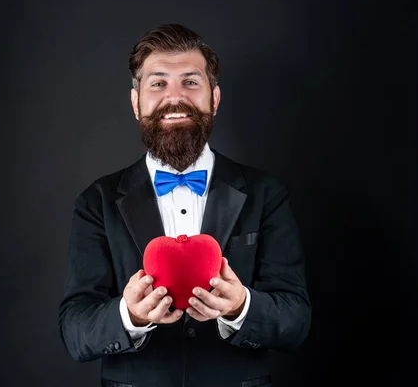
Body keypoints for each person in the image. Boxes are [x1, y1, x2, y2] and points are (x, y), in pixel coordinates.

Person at [58, 23, 311, 387]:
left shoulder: (266, 193)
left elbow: (296, 322)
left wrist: (242, 306)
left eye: (190, 82)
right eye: (158, 83)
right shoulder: (95, 202)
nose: (174, 97)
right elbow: (75, 330)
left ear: (215, 99)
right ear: (136, 103)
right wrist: (128, 314)